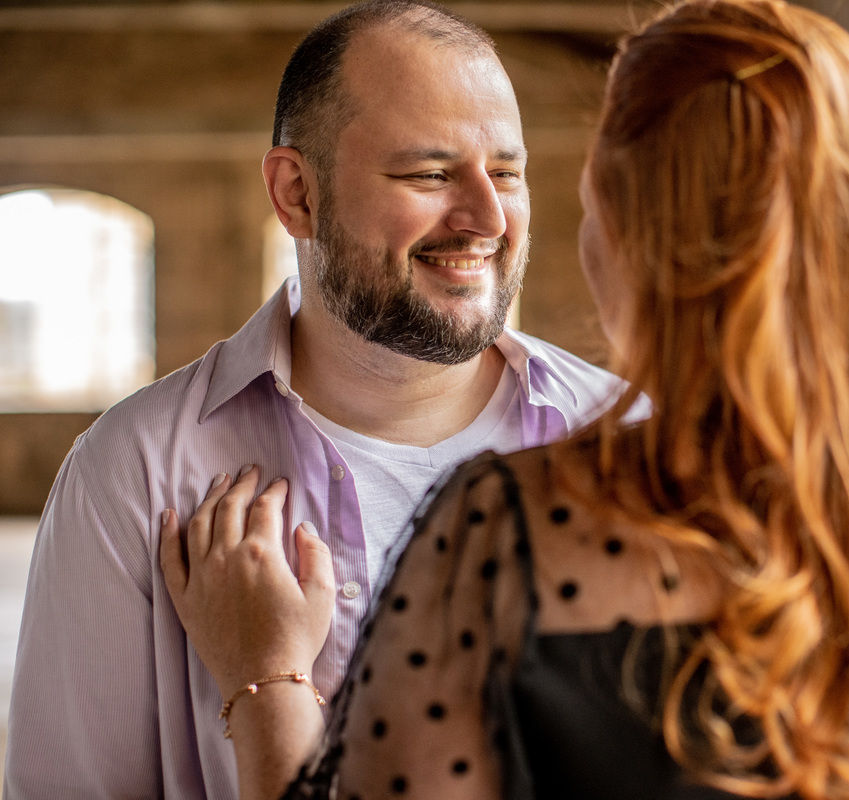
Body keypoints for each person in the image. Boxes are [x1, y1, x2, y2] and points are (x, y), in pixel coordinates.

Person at [161, 1, 849, 798]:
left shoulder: (512, 540)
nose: (496, 214)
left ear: (623, 228)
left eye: (547, 179)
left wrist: (268, 677)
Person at [3, 2, 629, 798]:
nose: (489, 218)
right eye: (430, 173)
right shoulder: (137, 474)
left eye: (506, 171)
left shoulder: (622, 437)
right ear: (296, 193)